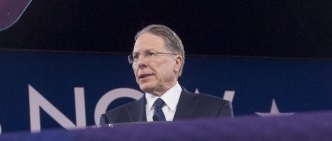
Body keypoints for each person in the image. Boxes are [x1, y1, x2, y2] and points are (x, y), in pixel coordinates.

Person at [99, 24, 233, 125]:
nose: (140, 63)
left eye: (150, 54)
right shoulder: (114, 121)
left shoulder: (215, 111)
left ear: (177, 62)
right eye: (136, 57)